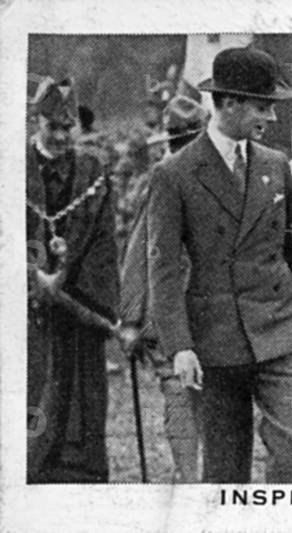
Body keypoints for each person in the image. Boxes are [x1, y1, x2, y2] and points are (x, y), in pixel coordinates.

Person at [147, 47, 292, 483]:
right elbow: (164, 267)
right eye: (261, 107)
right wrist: (180, 345)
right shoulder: (175, 173)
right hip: (216, 339)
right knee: (225, 470)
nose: (269, 117)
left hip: (281, 328)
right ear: (228, 103)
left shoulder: (275, 164)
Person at [26, 77, 119, 483]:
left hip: (78, 308)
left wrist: (71, 291)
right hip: (24, 312)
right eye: (53, 127)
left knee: (80, 399)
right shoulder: (12, 166)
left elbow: (103, 242)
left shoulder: (92, 171)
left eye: (68, 128)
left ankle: (77, 476)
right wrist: (33, 280)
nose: (62, 136)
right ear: (36, 121)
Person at [119, 89, 208, 483]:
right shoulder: (161, 181)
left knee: (202, 397)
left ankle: (207, 478)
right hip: (171, 310)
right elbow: (139, 250)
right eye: (181, 141)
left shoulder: (222, 176)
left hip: (212, 308)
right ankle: (191, 481)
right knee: (179, 392)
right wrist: (132, 319)